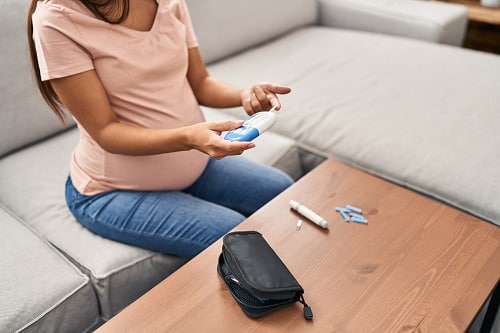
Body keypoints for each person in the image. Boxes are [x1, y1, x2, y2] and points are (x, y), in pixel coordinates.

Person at [27, 0, 293, 257]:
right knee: (234, 235)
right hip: (113, 190)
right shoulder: (56, 20)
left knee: (283, 192)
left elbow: (200, 82)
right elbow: (106, 132)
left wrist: (244, 94)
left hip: (195, 167)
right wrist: (189, 137)